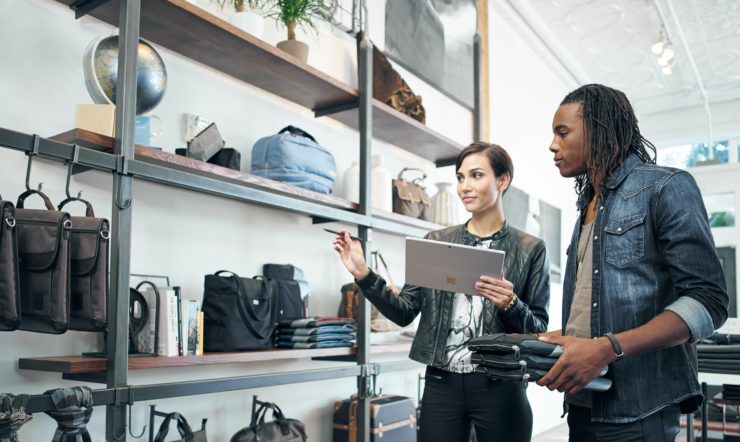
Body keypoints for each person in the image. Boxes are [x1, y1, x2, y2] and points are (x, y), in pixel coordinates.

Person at [537, 83, 729, 441]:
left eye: (562, 133)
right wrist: (558, 340)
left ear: (598, 129)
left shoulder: (666, 187)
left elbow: (709, 301)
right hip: (582, 404)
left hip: (639, 410)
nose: (552, 145)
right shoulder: (587, 208)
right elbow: (601, 308)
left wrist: (608, 348)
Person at [332, 142, 550, 442]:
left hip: (500, 387)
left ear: (502, 180)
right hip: (441, 385)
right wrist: (364, 274)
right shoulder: (436, 241)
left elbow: (538, 332)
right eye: (461, 177)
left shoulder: (530, 249)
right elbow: (404, 311)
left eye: (476, 175)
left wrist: (511, 304)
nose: (465, 187)